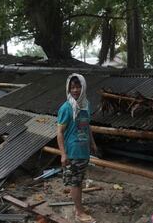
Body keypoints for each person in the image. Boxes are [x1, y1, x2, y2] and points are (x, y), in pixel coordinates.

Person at [57, 73, 97, 223]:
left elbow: (87, 126)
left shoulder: (86, 105)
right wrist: (63, 154)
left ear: (83, 87)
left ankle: (77, 207)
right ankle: (79, 212)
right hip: (73, 151)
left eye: (78, 86)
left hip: (84, 150)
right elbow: (59, 132)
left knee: (78, 181)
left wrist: (93, 143)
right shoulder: (66, 108)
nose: (75, 90)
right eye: (72, 87)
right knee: (75, 182)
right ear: (68, 89)